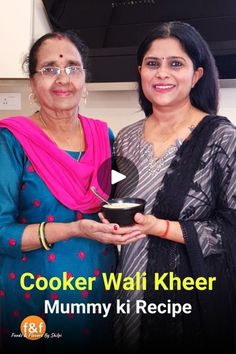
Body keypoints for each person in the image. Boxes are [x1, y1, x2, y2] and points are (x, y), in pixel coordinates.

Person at [0, 31, 145, 353]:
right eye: (49, 68)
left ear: (84, 79)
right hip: (34, 291)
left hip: (97, 285)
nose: (62, 79)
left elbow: (114, 200)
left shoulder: (102, 135)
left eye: (72, 68)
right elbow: (1, 232)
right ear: (33, 84)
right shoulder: (11, 141)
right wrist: (73, 229)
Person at [102, 21, 236, 352]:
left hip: (190, 297)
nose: (162, 74)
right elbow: (115, 203)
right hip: (129, 286)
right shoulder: (125, 139)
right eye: (153, 64)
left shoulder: (222, 139)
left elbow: (231, 230)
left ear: (197, 75)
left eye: (176, 64)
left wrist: (159, 227)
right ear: (140, 72)